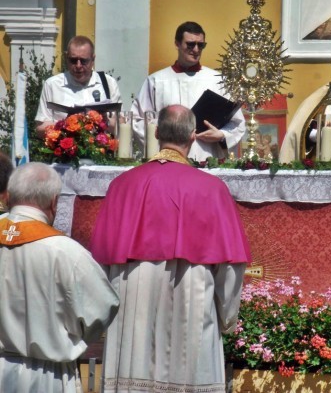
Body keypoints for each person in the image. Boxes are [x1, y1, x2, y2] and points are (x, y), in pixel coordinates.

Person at [90, 104, 251, 392]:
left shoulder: (122, 186)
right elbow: (231, 265)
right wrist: (227, 318)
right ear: (192, 136)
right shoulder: (212, 188)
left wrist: (103, 317)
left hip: (132, 292)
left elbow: (101, 263)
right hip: (192, 293)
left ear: (156, 133)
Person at [0, 162, 119, 392]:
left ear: (9, 196)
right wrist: (69, 337)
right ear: (54, 202)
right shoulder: (67, 253)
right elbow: (101, 309)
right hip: (45, 376)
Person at [131, 21, 246, 162]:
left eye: (201, 45)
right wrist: (164, 135)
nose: (196, 49)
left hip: (207, 158)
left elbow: (237, 123)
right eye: (190, 44)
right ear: (177, 44)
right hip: (167, 160)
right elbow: (138, 120)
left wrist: (222, 135)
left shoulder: (217, 80)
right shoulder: (156, 80)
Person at [35, 35, 122, 138]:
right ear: (66, 58)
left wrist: (105, 122)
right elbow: (40, 129)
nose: (78, 65)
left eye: (84, 61)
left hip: (101, 147)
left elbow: (122, 125)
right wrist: (67, 124)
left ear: (93, 59)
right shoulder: (52, 85)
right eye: (73, 60)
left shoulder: (109, 83)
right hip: (65, 147)